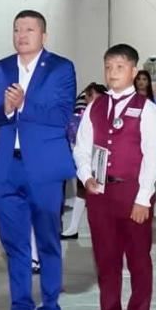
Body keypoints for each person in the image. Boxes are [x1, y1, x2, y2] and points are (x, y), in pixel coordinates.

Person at [0, 11, 78, 310]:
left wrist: (23, 104)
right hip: (8, 168)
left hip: (45, 169)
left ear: (44, 36)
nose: (22, 34)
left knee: (48, 241)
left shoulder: (61, 68)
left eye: (30, 29)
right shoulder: (3, 68)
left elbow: (62, 115)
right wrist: (5, 110)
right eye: (17, 29)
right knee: (14, 244)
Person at [73, 44, 156, 310]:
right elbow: (82, 148)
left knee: (139, 260)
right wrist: (86, 177)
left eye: (120, 67)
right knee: (106, 259)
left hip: (132, 193)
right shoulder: (94, 108)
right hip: (100, 193)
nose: (113, 73)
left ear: (134, 71)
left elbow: (153, 156)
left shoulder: (147, 109)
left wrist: (143, 197)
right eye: (108, 67)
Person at [62, 83, 105, 241]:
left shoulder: (106, 111)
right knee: (83, 189)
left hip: (102, 158)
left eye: (96, 96)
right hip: (86, 157)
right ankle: (73, 227)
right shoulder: (81, 114)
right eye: (91, 96)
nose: (92, 100)